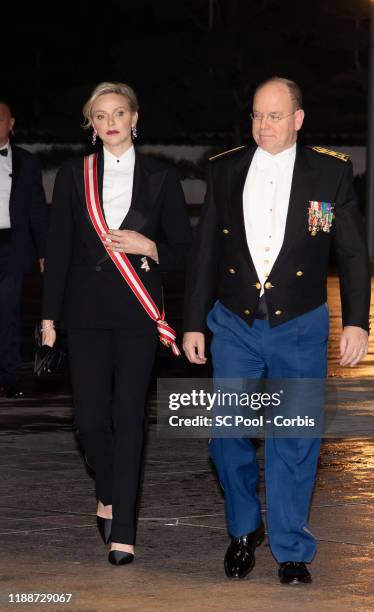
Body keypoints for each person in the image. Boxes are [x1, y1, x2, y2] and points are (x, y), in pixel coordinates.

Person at [183, 77, 370, 584]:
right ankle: (244, 529)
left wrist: (356, 320)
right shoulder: (224, 169)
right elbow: (205, 253)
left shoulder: (330, 173)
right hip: (234, 322)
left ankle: (291, 549)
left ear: (298, 119)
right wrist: (192, 322)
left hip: (301, 325)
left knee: (295, 438)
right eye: (257, 116)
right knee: (227, 435)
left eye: (274, 116)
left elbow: (351, 252)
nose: (263, 126)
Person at [41, 82, 191, 565]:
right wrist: (48, 318)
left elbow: (185, 251)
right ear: (91, 123)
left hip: (137, 312)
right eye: (100, 115)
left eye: (119, 113)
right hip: (84, 315)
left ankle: (123, 528)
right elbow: (59, 249)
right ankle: (108, 489)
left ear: (134, 119)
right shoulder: (72, 174)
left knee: (129, 418)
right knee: (88, 421)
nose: (110, 122)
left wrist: (151, 248)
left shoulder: (162, 178)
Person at [0, 101, 48, 398]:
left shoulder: (26, 162)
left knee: (9, 314)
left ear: (11, 123)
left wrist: (45, 251)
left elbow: (37, 211)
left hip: (11, 249)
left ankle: (9, 377)